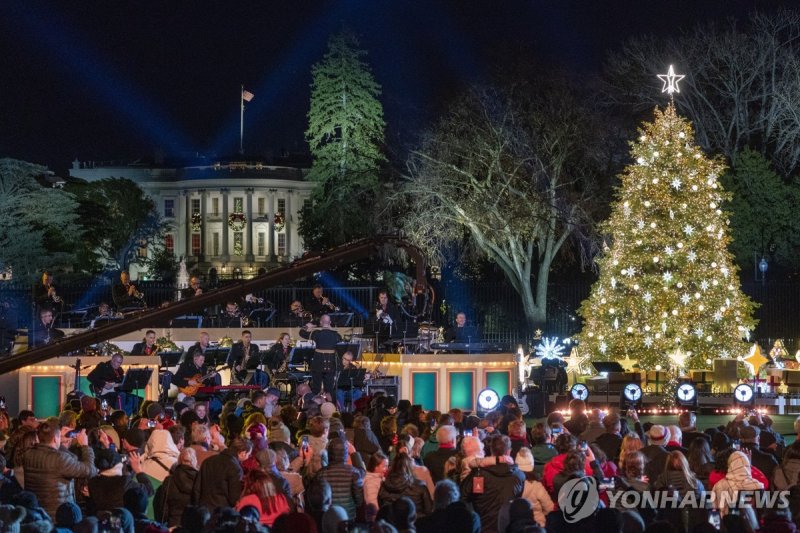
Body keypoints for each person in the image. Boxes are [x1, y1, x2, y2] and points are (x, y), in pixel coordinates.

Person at [23, 418, 98, 518]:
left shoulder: (28, 454)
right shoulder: (59, 459)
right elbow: (89, 470)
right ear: (55, 438)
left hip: (37, 513)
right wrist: (85, 446)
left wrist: (59, 439)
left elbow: (52, 451)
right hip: (58, 514)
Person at [461, 435, 525, 533]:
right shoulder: (519, 476)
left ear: (491, 450)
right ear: (508, 451)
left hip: (483, 527)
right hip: (506, 527)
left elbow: (464, 495)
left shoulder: (479, 474)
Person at [193, 437, 253, 509]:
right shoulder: (235, 468)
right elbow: (234, 498)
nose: (248, 457)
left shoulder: (208, 461)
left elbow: (197, 489)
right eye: (248, 455)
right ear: (243, 453)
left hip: (203, 510)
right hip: (221, 513)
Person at [312, 437, 364, 520]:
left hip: (327, 516)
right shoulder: (354, 472)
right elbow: (359, 499)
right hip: (348, 515)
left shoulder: (321, 473)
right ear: (345, 453)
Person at [378, 452, 433, 518]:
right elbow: (429, 510)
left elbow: (381, 508)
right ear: (409, 467)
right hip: (416, 525)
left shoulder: (384, 486)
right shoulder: (420, 485)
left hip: (393, 525)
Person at [300, 314, 343, 396]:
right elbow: (340, 339)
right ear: (330, 322)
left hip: (317, 364)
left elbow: (301, 333)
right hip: (331, 364)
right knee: (329, 390)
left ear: (320, 322)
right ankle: (330, 406)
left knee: (316, 389)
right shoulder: (336, 335)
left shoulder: (316, 333)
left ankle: (314, 406)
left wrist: (306, 326)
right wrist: (330, 328)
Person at [515, 447, 554, 527]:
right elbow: (549, 508)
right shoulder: (536, 486)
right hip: (537, 525)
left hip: (518, 526)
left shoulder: (512, 485)